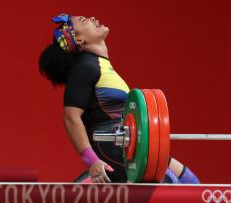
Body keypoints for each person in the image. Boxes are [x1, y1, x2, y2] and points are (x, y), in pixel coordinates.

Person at [39, 14, 200, 184]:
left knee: (190, 182)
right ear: (79, 40)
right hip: (113, 145)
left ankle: (85, 186)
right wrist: (92, 161)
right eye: (84, 21)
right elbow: (71, 118)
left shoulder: (101, 65)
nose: (93, 18)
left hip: (132, 145)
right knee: (170, 182)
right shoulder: (85, 67)